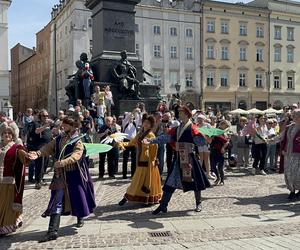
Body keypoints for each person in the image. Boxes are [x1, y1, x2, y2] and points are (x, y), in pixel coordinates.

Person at [28, 117, 96, 242]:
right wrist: (37, 153)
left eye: (65, 124)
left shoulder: (77, 140)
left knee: (77, 197)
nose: (62, 126)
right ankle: (52, 231)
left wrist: (64, 162)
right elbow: (48, 147)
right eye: (63, 124)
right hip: (60, 175)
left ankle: (80, 216)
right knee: (56, 200)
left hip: (74, 174)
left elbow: (77, 154)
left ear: (73, 126)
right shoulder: (59, 138)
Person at [144, 106, 210, 214]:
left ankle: (198, 203)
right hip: (179, 157)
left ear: (187, 114)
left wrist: (205, 139)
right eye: (179, 113)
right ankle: (163, 206)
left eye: (181, 113)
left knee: (195, 182)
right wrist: (152, 140)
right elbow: (167, 138)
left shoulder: (193, 128)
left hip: (189, 159)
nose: (179, 115)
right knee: (170, 182)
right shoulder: (177, 128)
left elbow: (199, 142)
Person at [118, 114, 162, 206]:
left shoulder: (150, 135)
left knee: (144, 181)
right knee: (137, 179)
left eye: (148, 123)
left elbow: (155, 148)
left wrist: (148, 149)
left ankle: (145, 198)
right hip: (141, 160)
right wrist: (121, 143)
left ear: (151, 125)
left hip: (148, 162)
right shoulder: (140, 133)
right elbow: (132, 142)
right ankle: (128, 196)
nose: (146, 124)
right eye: (145, 122)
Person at [0, 126, 29, 235]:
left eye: (9, 133)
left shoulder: (16, 148)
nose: (7, 135)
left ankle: (6, 227)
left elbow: (25, 158)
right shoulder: (0, 146)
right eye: (4, 133)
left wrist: (28, 156)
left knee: (6, 206)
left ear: (13, 136)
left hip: (9, 182)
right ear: (1, 135)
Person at [281, 109, 300, 200]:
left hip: (298, 154)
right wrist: (268, 141)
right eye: (293, 116)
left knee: (297, 173)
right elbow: (281, 137)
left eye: (295, 116)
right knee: (288, 173)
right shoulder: (290, 127)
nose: (293, 117)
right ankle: (292, 190)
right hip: (288, 154)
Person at [209, 120, 230, 185]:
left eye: (227, 126)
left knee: (220, 167)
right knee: (213, 166)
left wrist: (223, 148)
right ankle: (218, 178)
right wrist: (210, 138)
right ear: (222, 124)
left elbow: (226, 142)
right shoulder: (216, 131)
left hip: (220, 151)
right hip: (213, 150)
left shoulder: (223, 132)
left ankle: (222, 180)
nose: (226, 127)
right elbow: (210, 141)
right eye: (225, 125)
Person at [121, 113, 137, 179]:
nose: (131, 117)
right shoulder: (125, 123)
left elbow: (139, 117)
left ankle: (133, 174)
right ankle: (124, 174)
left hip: (133, 142)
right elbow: (126, 118)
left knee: (134, 159)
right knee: (125, 158)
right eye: (130, 116)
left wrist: (136, 112)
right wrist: (130, 115)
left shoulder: (135, 123)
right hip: (126, 142)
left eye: (132, 116)